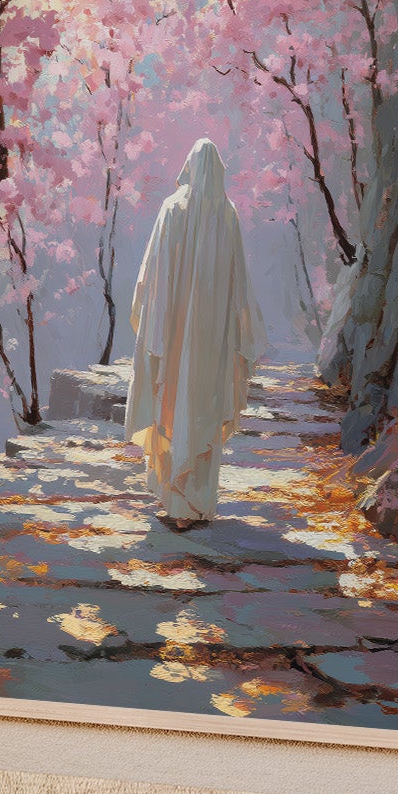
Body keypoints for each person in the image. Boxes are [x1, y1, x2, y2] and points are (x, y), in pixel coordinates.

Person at [124, 138, 268, 526]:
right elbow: (239, 281)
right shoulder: (228, 214)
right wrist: (242, 332)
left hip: (173, 336)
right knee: (202, 409)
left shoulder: (172, 210)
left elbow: (150, 277)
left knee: (172, 402)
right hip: (213, 340)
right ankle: (199, 501)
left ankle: (176, 498)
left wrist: (150, 322)